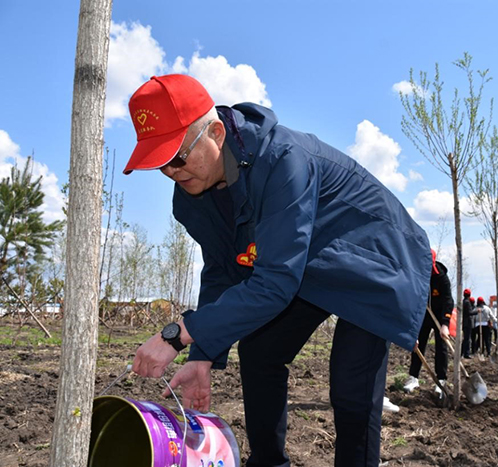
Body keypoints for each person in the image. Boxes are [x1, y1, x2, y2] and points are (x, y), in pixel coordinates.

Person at [126, 74, 432, 467]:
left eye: (178, 157)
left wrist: (179, 334)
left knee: (351, 385)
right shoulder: (191, 196)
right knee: (259, 352)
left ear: (216, 133)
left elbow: (274, 283)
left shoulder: (283, 159)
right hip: (308, 265)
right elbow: (222, 269)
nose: (172, 172)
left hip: (372, 260)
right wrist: (202, 355)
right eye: (160, 164)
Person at [404, 250, 453, 395]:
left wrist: (445, 324)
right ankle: (413, 377)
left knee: (441, 347)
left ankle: (441, 379)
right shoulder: (418, 276)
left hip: (439, 316)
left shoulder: (442, 278)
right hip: (423, 315)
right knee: (418, 345)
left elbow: (448, 300)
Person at [461, 288, 476, 359]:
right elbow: (470, 312)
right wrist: (477, 312)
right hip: (467, 323)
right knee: (467, 339)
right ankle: (466, 354)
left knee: (466, 338)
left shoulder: (463, 302)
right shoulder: (467, 302)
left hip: (464, 323)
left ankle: (462, 353)